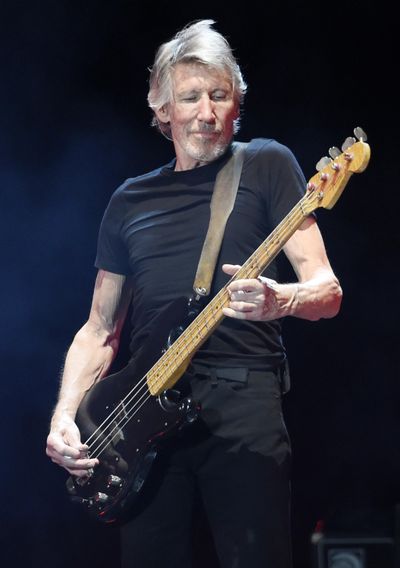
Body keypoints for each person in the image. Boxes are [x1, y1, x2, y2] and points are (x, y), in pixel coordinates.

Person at [46, 19, 342, 568]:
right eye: (190, 97)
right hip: (142, 417)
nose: (206, 112)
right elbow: (99, 329)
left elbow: (327, 290)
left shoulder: (268, 164)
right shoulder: (129, 201)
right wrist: (64, 414)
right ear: (162, 110)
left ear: (236, 106)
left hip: (243, 406)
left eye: (219, 95)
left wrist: (284, 299)